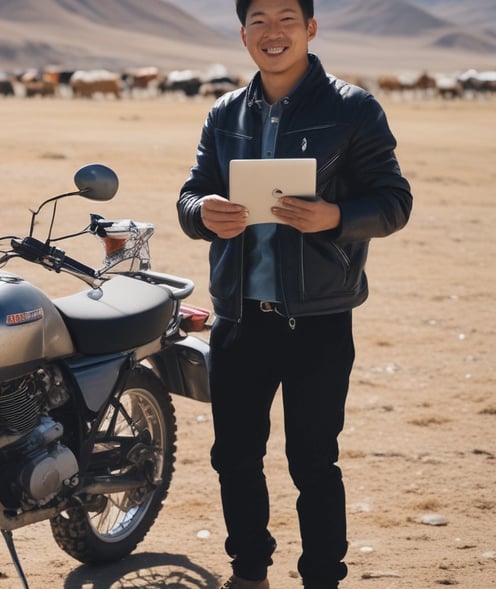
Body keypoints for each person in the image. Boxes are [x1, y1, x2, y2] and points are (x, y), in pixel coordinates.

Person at [176, 1, 412, 588]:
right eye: (259, 20)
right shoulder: (225, 112)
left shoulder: (353, 109)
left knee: (312, 460)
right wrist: (202, 212)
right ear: (243, 34)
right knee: (234, 457)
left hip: (319, 319)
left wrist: (334, 215)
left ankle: (322, 577)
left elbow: (393, 202)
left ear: (310, 28)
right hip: (237, 319)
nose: (272, 32)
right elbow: (191, 194)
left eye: (287, 18)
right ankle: (249, 572)